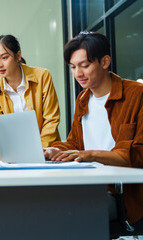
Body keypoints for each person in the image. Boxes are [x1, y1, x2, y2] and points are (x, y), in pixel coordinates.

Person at [44, 32, 143, 224]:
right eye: (73, 67)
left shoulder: (136, 95)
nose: (78, 73)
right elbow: (75, 143)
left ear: (105, 62)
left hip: (122, 194)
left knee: (64, 214)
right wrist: (56, 150)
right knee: (42, 203)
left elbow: (137, 154)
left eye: (85, 65)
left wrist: (91, 155)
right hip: (88, 183)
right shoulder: (83, 99)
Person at [0, 35, 60, 148]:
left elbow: (51, 119)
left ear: (18, 55)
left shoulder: (42, 76)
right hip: (16, 151)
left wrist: (41, 149)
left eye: (4, 58)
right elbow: (2, 129)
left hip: (47, 151)